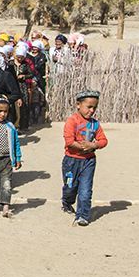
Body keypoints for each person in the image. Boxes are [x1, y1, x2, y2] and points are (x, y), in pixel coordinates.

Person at [61, 90, 108, 227]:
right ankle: (67, 202)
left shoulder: (95, 124)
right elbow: (69, 141)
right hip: (71, 161)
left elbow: (103, 140)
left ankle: (82, 215)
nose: (92, 110)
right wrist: (84, 147)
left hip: (88, 161)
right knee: (70, 187)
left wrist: (93, 145)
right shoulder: (72, 121)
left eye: (94, 107)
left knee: (85, 190)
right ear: (78, 105)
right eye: (89, 107)